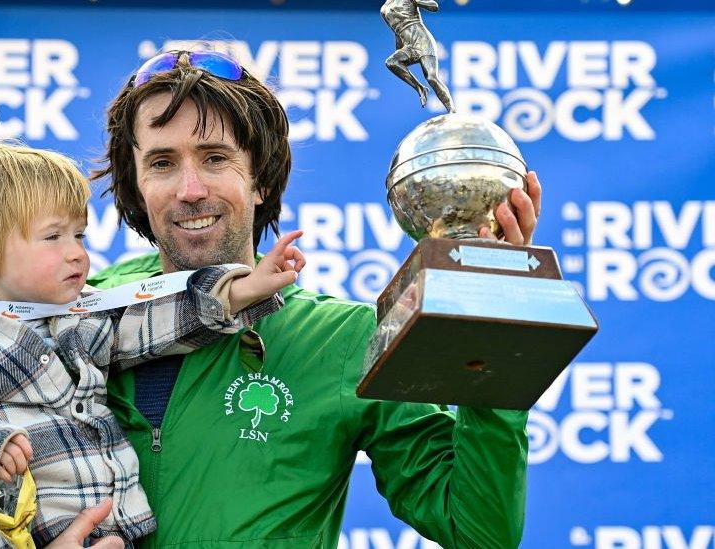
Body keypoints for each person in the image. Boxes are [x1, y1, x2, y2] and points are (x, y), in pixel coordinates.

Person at [69, 49, 542, 548]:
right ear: (137, 184)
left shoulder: (343, 340)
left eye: (215, 158)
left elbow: (479, 532)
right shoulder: (80, 315)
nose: (190, 189)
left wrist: (492, 314)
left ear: (261, 179)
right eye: (162, 163)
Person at [0, 136, 305, 547]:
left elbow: (154, 325)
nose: (78, 253)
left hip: (115, 529)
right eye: (53, 237)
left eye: (78, 235)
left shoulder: (84, 312)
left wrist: (242, 290)